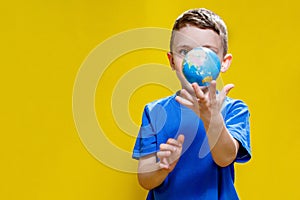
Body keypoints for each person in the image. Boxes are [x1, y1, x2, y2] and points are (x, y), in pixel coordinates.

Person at [132, 8, 251, 200]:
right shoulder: (154, 112)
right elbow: (145, 179)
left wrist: (211, 118)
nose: (196, 60)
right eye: (184, 51)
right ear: (171, 60)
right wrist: (162, 168)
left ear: (224, 62)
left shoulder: (234, 110)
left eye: (207, 52)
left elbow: (225, 158)